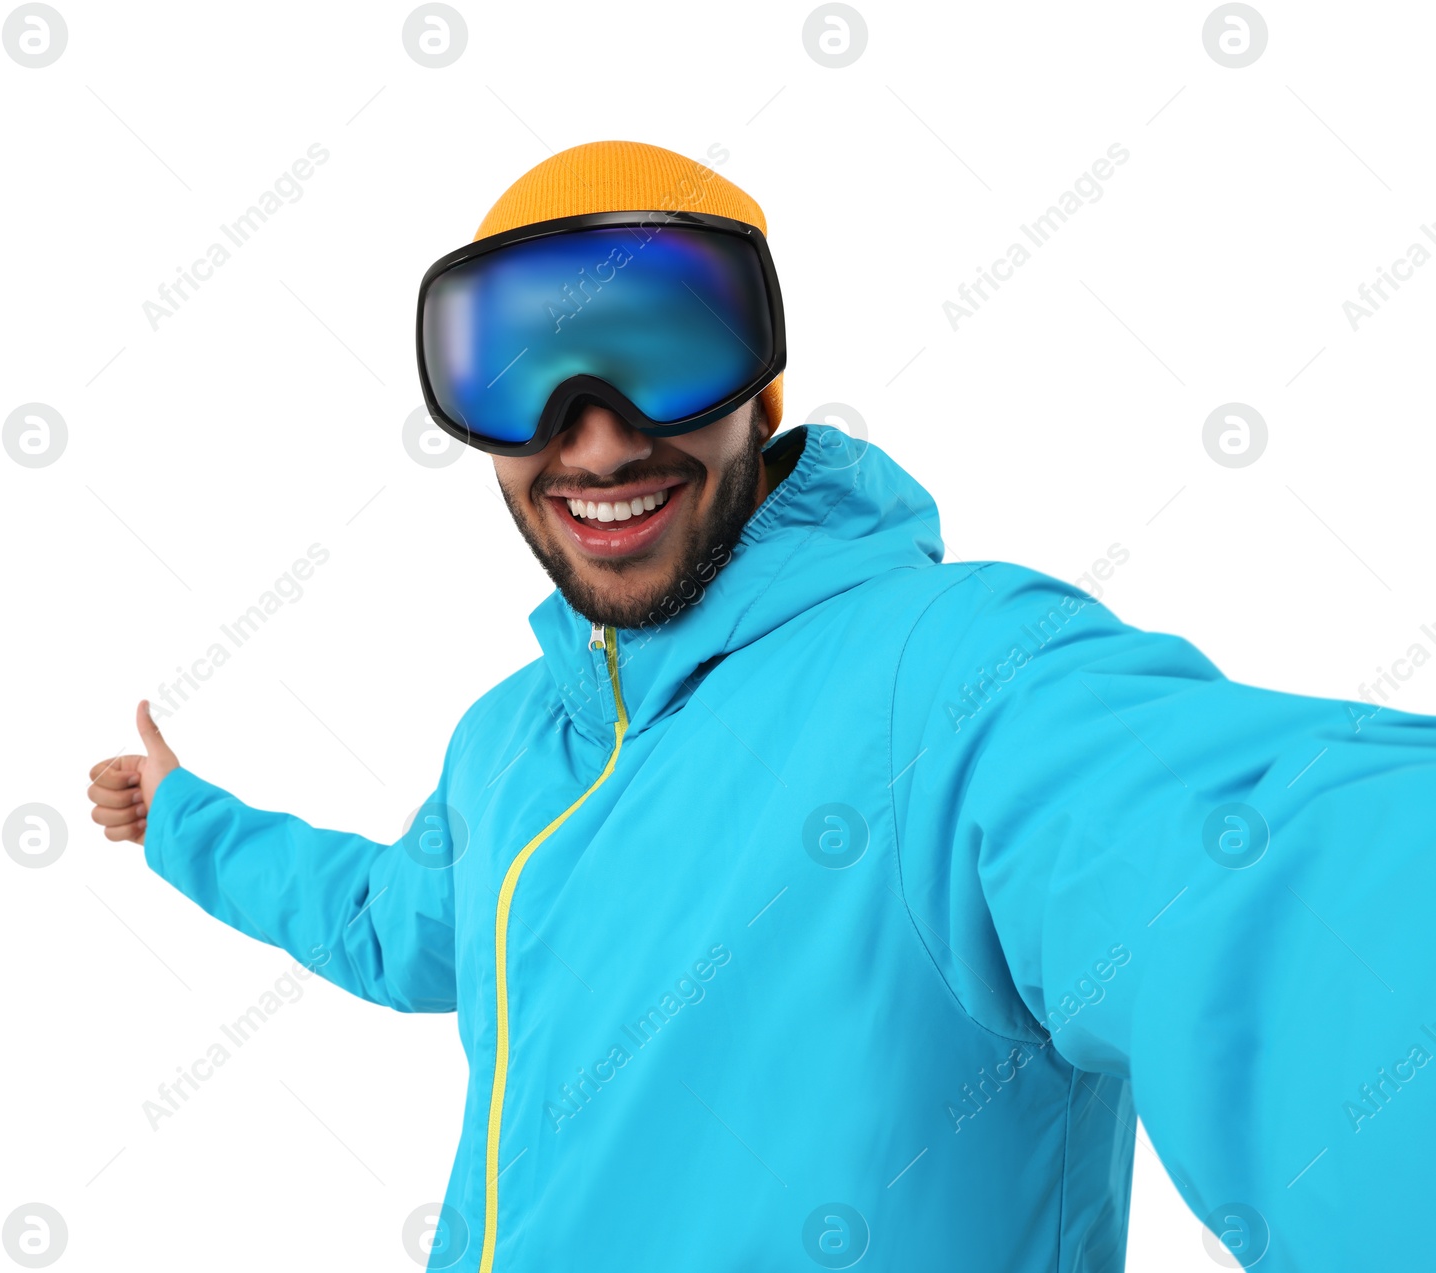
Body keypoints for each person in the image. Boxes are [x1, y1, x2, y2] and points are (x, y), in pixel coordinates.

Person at [86, 140, 1436, 1271]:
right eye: (526, 373)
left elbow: (1267, 877)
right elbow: (394, 922)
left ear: (761, 392)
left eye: (664, 350)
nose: (599, 437)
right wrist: (181, 818)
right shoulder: (507, 742)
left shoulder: (952, 680)